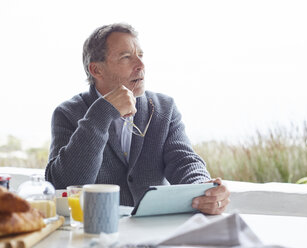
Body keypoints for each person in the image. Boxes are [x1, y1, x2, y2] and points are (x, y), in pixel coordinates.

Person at [45, 23, 230, 215]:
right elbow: (64, 185)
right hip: (98, 232)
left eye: (140, 56)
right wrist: (101, 113)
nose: (141, 66)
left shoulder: (164, 108)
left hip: (153, 232)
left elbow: (184, 161)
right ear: (97, 70)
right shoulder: (67, 113)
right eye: (126, 57)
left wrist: (204, 187)